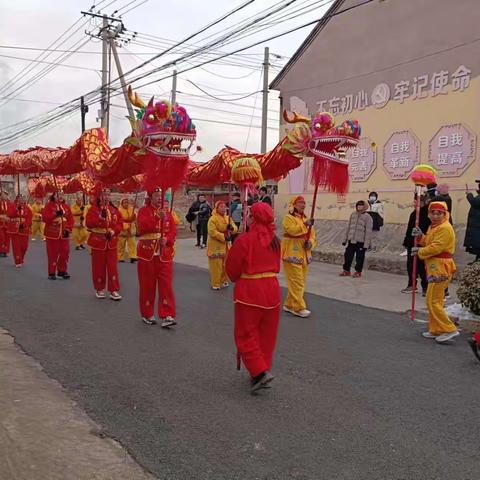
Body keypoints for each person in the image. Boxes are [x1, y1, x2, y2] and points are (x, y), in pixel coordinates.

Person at [225, 202, 280, 393]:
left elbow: (232, 270)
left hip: (250, 291)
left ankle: (259, 372)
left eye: (249, 215)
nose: (246, 218)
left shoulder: (244, 240)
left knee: (246, 333)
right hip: (272, 290)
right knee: (267, 335)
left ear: (253, 218)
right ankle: (261, 369)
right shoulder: (275, 240)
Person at [412, 201, 459, 343]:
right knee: (433, 300)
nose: (436, 215)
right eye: (433, 212)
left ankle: (449, 328)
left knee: (433, 301)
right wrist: (421, 237)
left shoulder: (445, 228)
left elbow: (437, 247)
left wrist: (419, 251)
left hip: (441, 267)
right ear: (429, 214)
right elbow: (430, 242)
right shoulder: (434, 227)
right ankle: (436, 329)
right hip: (434, 266)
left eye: (439, 213)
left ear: (445, 214)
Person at [136, 189, 177, 327]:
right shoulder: (143, 211)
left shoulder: (167, 212)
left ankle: (167, 315)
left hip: (164, 254)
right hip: (147, 254)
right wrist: (156, 218)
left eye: (162, 195)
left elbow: (172, 230)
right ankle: (147, 313)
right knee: (147, 285)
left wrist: (167, 239)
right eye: (157, 195)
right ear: (151, 196)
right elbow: (142, 227)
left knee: (166, 285)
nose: (160, 198)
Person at [281, 195, 316, 318]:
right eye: (300, 203)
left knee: (299, 281)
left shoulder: (306, 219)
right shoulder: (288, 218)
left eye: (304, 203)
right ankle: (299, 307)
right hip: (292, 252)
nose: (303, 205)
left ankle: (289, 304)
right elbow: (292, 231)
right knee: (297, 282)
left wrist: (310, 243)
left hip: (304, 254)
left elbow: (312, 235)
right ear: (294, 205)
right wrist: (305, 225)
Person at [85, 188, 122, 300]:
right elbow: (89, 223)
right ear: (99, 197)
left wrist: (113, 231)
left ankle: (113, 289)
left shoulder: (114, 210)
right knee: (98, 266)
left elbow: (120, 223)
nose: (106, 197)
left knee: (112, 267)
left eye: (108, 195)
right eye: (104, 195)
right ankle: (99, 288)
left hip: (111, 241)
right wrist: (100, 217)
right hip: (98, 241)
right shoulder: (93, 210)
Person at [401, 195, 430, 296]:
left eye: (416, 202)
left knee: (421, 266)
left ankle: (425, 286)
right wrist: (406, 241)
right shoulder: (413, 214)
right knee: (410, 265)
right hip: (411, 243)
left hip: (421, 244)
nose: (414, 204)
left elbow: (428, 229)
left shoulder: (427, 214)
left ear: (422, 202)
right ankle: (412, 284)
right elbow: (409, 229)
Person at [42, 191, 74, 280]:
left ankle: (62, 270)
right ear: (54, 196)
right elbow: (45, 218)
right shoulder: (48, 206)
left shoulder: (66, 207)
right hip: (52, 233)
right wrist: (55, 214)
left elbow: (71, 220)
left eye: (62, 194)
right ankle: (51, 272)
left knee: (65, 252)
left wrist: (68, 229)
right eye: (58, 194)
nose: (60, 196)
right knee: (52, 253)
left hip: (64, 233)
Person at [207, 200, 237, 290]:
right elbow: (212, 232)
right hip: (216, 245)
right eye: (221, 207)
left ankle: (224, 280)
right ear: (217, 208)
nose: (223, 209)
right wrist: (223, 236)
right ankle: (215, 283)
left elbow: (235, 228)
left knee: (226, 265)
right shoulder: (212, 219)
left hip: (226, 246)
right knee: (216, 265)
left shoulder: (228, 218)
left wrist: (232, 228)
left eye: (225, 207)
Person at [340, 200, 373, 278]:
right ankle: (346, 270)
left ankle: (358, 272)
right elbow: (348, 228)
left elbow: (368, 232)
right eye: (358, 205)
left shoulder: (368, 217)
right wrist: (345, 240)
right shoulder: (353, 215)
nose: (359, 206)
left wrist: (366, 244)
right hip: (351, 240)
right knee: (347, 255)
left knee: (359, 258)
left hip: (361, 242)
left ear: (364, 207)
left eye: (361, 205)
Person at [7, 194, 32, 267]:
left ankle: (21, 258)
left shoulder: (28, 208)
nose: (22, 199)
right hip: (14, 229)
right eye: (21, 198)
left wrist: (24, 225)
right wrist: (16, 209)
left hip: (24, 229)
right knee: (16, 246)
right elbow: (9, 214)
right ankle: (18, 261)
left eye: (24, 197)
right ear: (18, 198)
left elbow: (29, 219)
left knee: (24, 246)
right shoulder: (13, 206)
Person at [464, 179, 480, 264]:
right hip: (476, 226)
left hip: (478, 226)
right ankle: (477, 260)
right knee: (477, 246)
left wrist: (469, 195)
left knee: (478, 244)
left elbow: (475, 202)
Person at [118, 197, 137, 263]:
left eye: (127, 202)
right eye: (124, 202)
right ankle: (120, 257)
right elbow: (119, 219)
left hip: (131, 229)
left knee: (132, 244)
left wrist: (134, 217)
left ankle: (133, 257)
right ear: (122, 203)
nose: (126, 204)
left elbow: (135, 218)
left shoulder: (132, 209)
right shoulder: (119, 210)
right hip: (122, 230)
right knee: (121, 245)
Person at [0, 190, 11, 258]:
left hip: (7, 223)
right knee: (1, 238)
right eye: (3, 194)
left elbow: (12, 212)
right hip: (0, 223)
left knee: (7, 238)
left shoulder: (9, 203)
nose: (4, 196)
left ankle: (5, 251)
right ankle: (1, 250)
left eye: (5, 195)